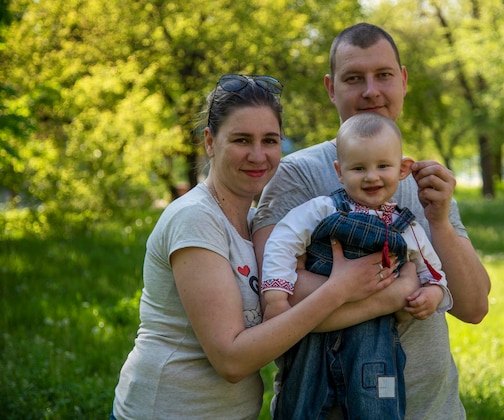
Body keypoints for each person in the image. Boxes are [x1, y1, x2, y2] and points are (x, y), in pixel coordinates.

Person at [111, 74, 398, 420]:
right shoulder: (195, 219)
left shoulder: (252, 223)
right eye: (242, 140)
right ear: (209, 142)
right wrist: (337, 290)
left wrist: (393, 297)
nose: (258, 155)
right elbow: (231, 360)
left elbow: (292, 322)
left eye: (270, 140)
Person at [252, 23, 491, 419]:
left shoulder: (421, 179)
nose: (370, 91)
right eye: (353, 78)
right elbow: (278, 292)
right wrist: (397, 292)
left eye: (383, 75)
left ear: (403, 80)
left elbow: (473, 307)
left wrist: (440, 221)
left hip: (433, 409)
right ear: (331, 88)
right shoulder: (297, 174)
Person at [261, 112, 453, 418]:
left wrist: (432, 294)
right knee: (302, 405)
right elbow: (283, 241)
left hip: (375, 348)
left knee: (380, 403)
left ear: (403, 169)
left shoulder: (407, 227)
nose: (371, 176)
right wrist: (276, 296)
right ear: (340, 172)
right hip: (313, 342)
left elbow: (432, 270)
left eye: (383, 166)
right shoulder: (323, 209)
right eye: (359, 168)